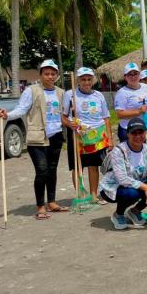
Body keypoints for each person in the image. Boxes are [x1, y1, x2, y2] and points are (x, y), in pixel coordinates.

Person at [0, 59, 67, 220]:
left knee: (52, 170)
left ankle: (52, 202)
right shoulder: (31, 91)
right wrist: (7, 115)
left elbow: (65, 113)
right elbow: (21, 109)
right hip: (37, 138)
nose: (50, 76)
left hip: (55, 136)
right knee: (42, 171)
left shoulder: (61, 92)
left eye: (52, 74)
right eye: (46, 73)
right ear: (41, 74)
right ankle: (41, 206)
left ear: (56, 75)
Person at [98, 117, 147, 230]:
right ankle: (119, 214)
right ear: (127, 134)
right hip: (114, 187)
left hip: (137, 184)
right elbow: (122, 179)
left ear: (146, 132)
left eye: (141, 132)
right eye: (133, 133)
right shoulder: (119, 151)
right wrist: (146, 187)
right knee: (131, 194)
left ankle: (135, 211)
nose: (138, 136)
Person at [62, 66, 113, 205]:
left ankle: (93, 195)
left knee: (93, 166)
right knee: (77, 167)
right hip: (77, 135)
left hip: (96, 135)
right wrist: (69, 124)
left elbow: (106, 117)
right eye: (83, 79)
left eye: (89, 79)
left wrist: (110, 139)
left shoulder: (99, 95)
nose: (86, 82)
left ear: (93, 80)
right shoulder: (69, 94)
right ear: (78, 81)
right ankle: (80, 195)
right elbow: (64, 117)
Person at [114, 63, 147, 143]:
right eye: (130, 74)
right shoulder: (122, 93)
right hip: (130, 131)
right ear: (125, 77)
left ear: (139, 75)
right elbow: (119, 114)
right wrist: (138, 111)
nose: (133, 77)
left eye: (135, 74)